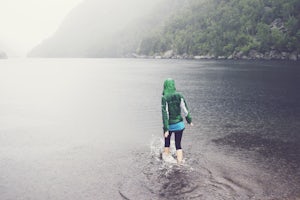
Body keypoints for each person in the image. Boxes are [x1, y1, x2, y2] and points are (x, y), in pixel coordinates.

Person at [161, 78, 193, 164]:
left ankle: (166, 162)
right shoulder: (180, 95)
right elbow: (185, 109)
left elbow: (165, 114)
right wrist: (189, 120)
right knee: (178, 145)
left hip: (170, 126)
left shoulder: (165, 98)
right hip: (180, 125)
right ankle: (179, 164)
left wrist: (166, 129)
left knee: (167, 143)